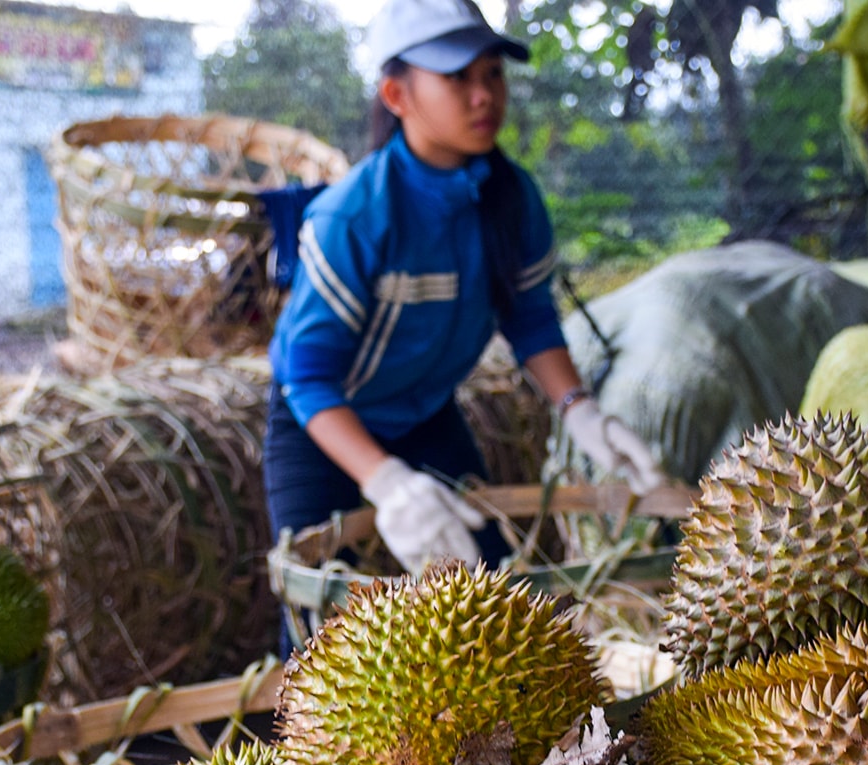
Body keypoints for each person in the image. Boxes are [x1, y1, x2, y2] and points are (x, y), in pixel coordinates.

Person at [263, 0, 664, 581]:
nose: (484, 96)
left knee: (494, 596)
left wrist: (582, 412)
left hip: (425, 417)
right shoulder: (353, 217)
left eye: (492, 74)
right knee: (320, 620)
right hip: (323, 426)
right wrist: (385, 481)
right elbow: (307, 376)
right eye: (457, 77)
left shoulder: (513, 198)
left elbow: (529, 319)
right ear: (397, 96)